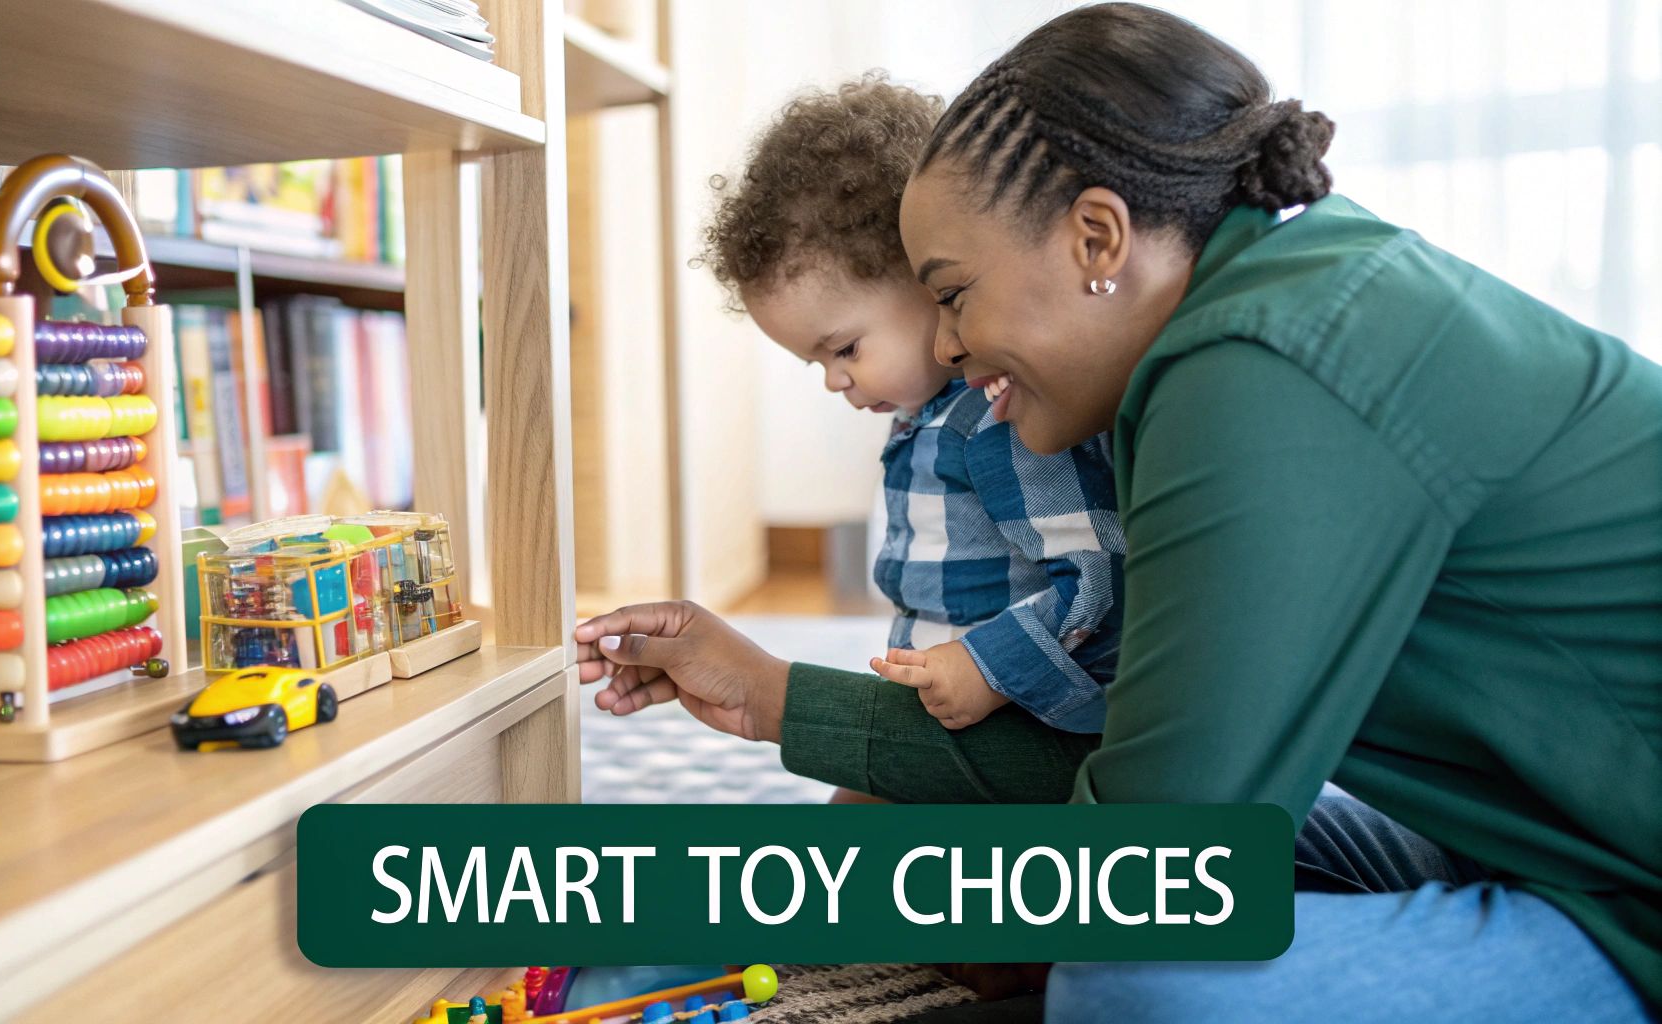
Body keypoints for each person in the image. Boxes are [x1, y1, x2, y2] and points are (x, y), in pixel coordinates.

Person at [578, 3, 1660, 1019]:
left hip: (1624, 898)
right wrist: (782, 705)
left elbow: (1142, 864)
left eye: (952, 292)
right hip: (1527, 835)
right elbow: (1137, 789)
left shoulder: (1260, 371)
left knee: (1129, 985)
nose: (947, 345)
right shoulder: (1238, 326)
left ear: (1098, 239)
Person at [693, 74, 1124, 737]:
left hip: (1025, 720)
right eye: (819, 363)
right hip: (950, 713)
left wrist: (987, 667)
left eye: (845, 348)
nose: (836, 381)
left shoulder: (999, 418)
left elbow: (1099, 577)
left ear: (928, 280)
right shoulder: (925, 417)